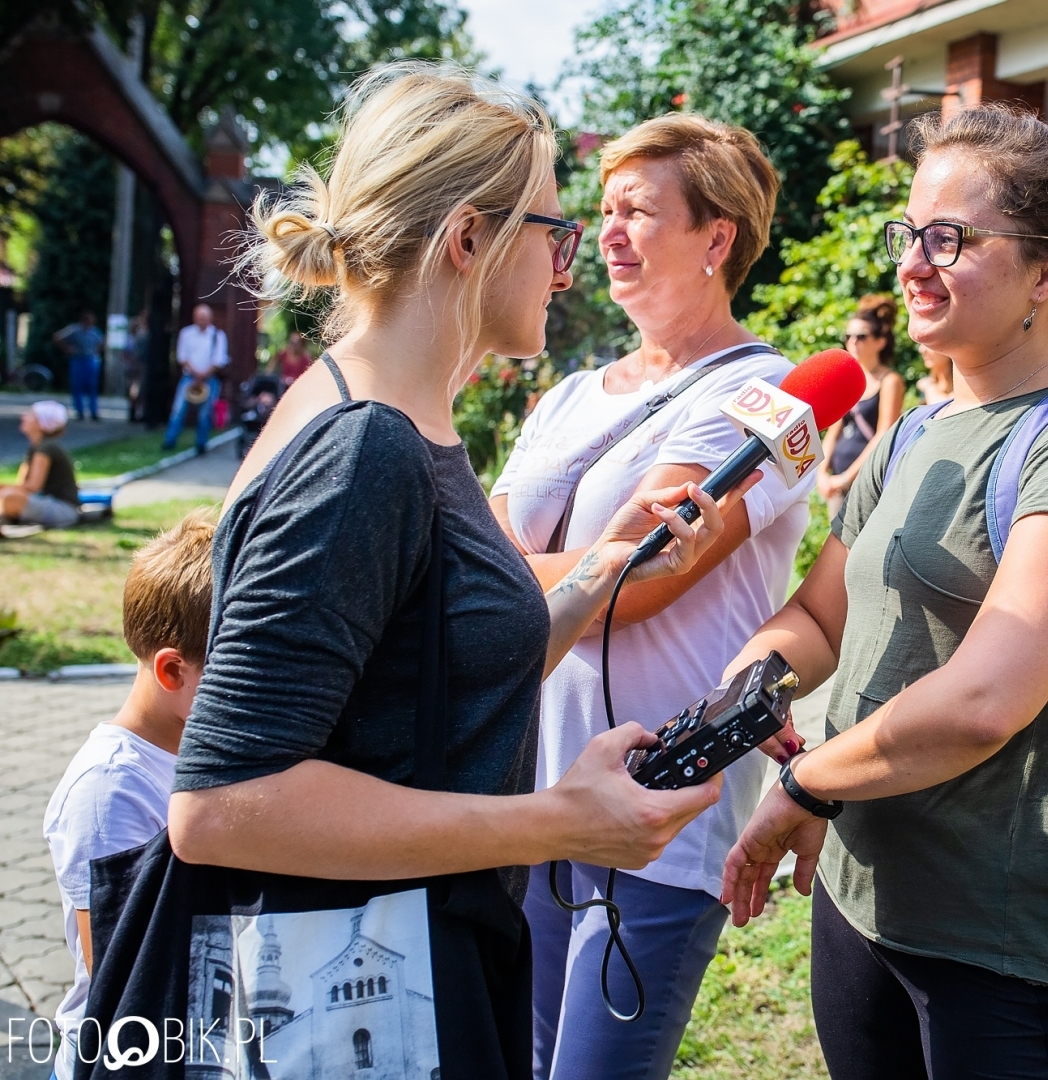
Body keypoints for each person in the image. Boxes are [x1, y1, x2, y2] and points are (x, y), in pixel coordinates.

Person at [163, 64, 739, 1074]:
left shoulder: (389, 414)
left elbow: (425, 672)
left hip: (403, 968)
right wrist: (553, 823)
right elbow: (219, 807)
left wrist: (602, 572)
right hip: (358, 1000)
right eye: (554, 235)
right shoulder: (365, 449)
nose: (570, 267)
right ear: (469, 238)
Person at [719, 103, 1048, 1079]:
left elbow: (982, 703)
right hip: (861, 899)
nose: (914, 262)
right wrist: (750, 683)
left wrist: (801, 784)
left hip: (1005, 944)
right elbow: (818, 615)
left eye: (951, 238)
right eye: (908, 234)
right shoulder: (913, 432)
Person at [488, 112, 810, 1080]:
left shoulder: (763, 400)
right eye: (605, 210)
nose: (609, 233)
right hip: (526, 792)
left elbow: (637, 590)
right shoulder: (568, 395)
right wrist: (558, 570)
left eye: (637, 211)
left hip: (657, 810)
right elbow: (501, 558)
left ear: (718, 239)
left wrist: (490, 582)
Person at [43, 508, 215, 1079]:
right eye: (238, 672)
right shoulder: (109, 791)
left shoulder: (203, 748)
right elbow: (121, 970)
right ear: (172, 672)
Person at [816, 295, 905, 515]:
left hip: (867, 483)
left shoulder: (889, 381)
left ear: (880, 341)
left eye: (861, 336)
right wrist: (821, 473)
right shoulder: (847, 381)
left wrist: (847, 478)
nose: (853, 342)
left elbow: (883, 435)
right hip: (837, 483)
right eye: (848, 336)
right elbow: (833, 432)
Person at [162, 302, 229, 451]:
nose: (201, 321)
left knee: (205, 414)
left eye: (204, 318)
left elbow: (219, 359)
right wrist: (196, 373)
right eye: (199, 317)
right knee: (178, 410)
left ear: (210, 318)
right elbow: (182, 357)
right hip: (189, 378)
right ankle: (169, 441)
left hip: (209, 379)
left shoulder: (217, 335)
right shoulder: (186, 334)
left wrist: (204, 374)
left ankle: (201, 444)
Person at [1, 401, 78, 530]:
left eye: (31, 415)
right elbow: (22, 484)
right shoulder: (36, 447)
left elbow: (33, 487)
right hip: (44, 502)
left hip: (62, 509)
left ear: (42, 423)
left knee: (10, 498)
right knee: (8, 495)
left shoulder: (46, 448)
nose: (24, 417)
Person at [52, 309, 104, 421]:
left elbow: (101, 343)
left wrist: (97, 352)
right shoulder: (74, 329)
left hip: (90, 360)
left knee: (92, 387)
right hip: (78, 360)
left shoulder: (94, 331)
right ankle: (79, 411)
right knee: (77, 386)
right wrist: (67, 348)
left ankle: (93, 411)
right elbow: (57, 337)